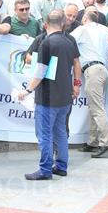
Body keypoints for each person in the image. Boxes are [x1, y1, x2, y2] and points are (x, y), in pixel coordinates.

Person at [17, 10, 82, 180]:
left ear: (45, 23)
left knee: (44, 134)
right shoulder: (69, 40)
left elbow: (40, 71)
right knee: (60, 131)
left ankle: (45, 170)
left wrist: (27, 90)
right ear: (63, 23)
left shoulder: (46, 43)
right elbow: (77, 64)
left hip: (47, 97)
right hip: (65, 95)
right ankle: (61, 166)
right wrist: (76, 84)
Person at [71, 9, 108, 157]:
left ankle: (105, 141)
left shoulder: (82, 29)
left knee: (96, 108)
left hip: (93, 70)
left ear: (84, 19)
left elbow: (68, 41)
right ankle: (93, 142)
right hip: (102, 68)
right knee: (94, 107)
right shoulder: (104, 29)